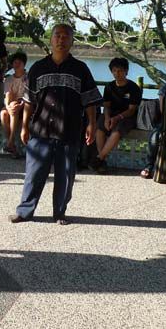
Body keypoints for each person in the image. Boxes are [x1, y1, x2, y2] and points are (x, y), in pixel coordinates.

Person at [9, 24, 102, 226]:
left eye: (66, 36)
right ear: (50, 39)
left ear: (72, 41)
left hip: (69, 130)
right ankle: (25, 211)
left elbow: (90, 100)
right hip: (40, 131)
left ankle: (60, 212)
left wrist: (92, 124)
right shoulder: (38, 68)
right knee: (33, 174)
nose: (61, 39)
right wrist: (24, 126)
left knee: (65, 176)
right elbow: (29, 101)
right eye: (57, 35)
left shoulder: (80, 69)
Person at [92, 57, 142, 173]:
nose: (117, 73)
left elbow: (131, 110)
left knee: (117, 131)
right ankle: (101, 161)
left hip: (127, 116)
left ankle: (99, 158)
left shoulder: (133, 88)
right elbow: (106, 106)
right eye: (114, 71)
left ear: (126, 71)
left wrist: (117, 118)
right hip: (111, 114)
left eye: (120, 70)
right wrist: (107, 118)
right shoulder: (109, 87)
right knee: (100, 127)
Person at [0, 51, 28, 158]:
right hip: (12, 105)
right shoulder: (9, 79)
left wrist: (20, 105)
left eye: (19, 62)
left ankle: (10, 142)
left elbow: (29, 96)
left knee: (14, 106)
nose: (17, 64)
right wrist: (8, 106)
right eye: (15, 62)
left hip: (25, 105)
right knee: (3, 113)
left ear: (24, 64)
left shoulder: (28, 78)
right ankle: (12, 145)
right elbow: (7, 96)